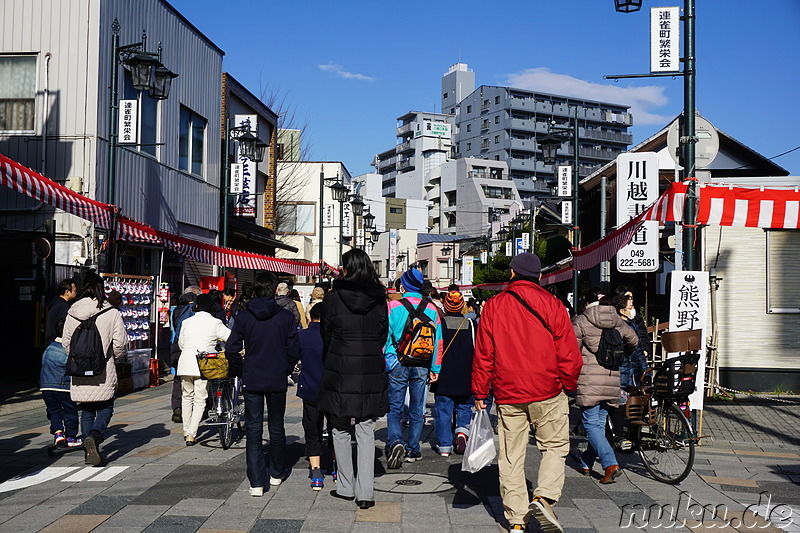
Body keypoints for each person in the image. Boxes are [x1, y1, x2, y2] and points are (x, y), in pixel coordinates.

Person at [472, 253, 582, 533]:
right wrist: (568, 384)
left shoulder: (494, 306)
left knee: (511, 455)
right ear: (540, 277)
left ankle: (517, 520)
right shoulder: (553, 304)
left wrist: (480, 392)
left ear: (511, 273)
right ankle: (544, 496)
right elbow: (569, 352)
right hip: (547, 389)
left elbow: (484, 353)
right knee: (555, 447)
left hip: (508, 391)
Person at [318, 249, 388, 509]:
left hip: (339, 368)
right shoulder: (380, 299)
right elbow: (382, 335)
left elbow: (326, 335)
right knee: (366, 430)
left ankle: (346, 486)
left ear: (347, 269)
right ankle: (365, 492)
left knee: (339, 428)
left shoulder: (333, 299)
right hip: (370, 368)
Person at [226, 271, 300, 497]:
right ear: (275, 289)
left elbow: (231, 348)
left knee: (254, 429)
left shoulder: (243, 316)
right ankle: (277, 472)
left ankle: (257, 482)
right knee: (277, 427)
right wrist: (286, 369)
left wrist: (240, 369)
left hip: (252, 377)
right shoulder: (285, 316)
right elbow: (294, 350)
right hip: (276, 376)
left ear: (255, 289)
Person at [572, 287, 638, 485]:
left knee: (591, 424)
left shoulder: (581, 320)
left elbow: (572, 352)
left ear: (586, 303)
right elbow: (633, 340)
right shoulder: (616, 319)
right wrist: (621, 354)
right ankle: (586, 462)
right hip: (611, 377)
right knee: (599, 424)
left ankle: (610, 464)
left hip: (589, 378)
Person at [62, 271, 128, 466]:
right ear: (101, 288)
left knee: (87, 410)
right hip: (103, 368)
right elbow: (120, 343)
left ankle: (88, 446)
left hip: (79, 369)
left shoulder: (72, 311)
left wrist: (79, 359)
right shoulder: (111, 312)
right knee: (106, 406)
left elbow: (66, 343)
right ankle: (95, 435)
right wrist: (112, 357)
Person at [384, 267, 443, 468]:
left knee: (395, 407)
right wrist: (436, 368)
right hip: (422, 364)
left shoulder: (393, 306)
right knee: (418, 409)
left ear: (404, 285)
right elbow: (438, 341)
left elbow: (385, 337)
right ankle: (413, 449)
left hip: (397, 362)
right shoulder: (433, 309)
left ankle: (395, 441)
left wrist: (386, 359)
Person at [177, 294, 231, 445]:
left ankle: (186, 429)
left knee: (186, 397)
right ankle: (191, 434)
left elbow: (181, 343)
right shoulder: (215, 322)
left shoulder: (187, 322)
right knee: (200, 399)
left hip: (185, 362)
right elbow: (230, 338)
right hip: (203, 364)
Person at [433, 291, 475, 457]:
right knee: (464, 406)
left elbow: (437, 348)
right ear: (462, 305)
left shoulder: (440, 324)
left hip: (444, 374)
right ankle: (462, 433)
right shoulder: (471, 325)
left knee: (443, 410)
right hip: (466, 374)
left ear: (446, 305)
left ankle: (444, 446)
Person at [609, 286, 650, 451]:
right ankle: (619, 437)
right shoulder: (616, 321)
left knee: (636, 403)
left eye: (632, 297)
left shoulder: (634, 320)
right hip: (622, 369)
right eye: (628, 297)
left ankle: (633, 437)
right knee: (620, 403)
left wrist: (645, 371)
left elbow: (640, 346)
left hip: (635, 370)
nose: (632, 301)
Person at [297, 304, 332, 491]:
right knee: (336, 427)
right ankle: (336, 467)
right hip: (333, 389)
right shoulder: (333, 336)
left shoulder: (302, 336)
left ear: (310, 317)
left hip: (309, 388)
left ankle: (316, 471)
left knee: (312, 429)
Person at [40, 318, 81, 448]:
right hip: (64, 387)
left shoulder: (49, 348)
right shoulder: (68, 349)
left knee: (54, 411)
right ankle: (71, 437)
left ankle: (58, 433)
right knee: (70, 411)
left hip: (46, 386)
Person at [169, 286, 201, 424]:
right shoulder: (197, 308)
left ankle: (177, 408)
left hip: (177, 346)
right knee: (197, 379)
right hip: (194, 347)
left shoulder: (176, 309)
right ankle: (195, 411)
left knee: (178, 378)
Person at [45, 278, 77, 346]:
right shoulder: (63, 307)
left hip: (51, 342)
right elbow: (63, 327)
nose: (76, 292)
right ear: (67, 292)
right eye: (74, 290)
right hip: (59, 343)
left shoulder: (55, 303)